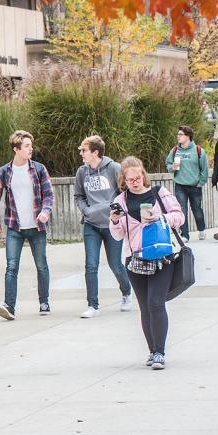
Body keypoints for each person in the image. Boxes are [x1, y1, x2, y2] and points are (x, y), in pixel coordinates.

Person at [109, 157, 184, 370]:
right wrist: (114, 220)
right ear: (124, 179)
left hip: (162, 256)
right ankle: (152, 351)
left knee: (156, 303)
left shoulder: (159, 193)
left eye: (138, 177)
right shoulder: (121, 200)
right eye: (130, 179)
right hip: (135, 259)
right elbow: (117, 235)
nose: (135, 182)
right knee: (144, 307)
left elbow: (180, 216)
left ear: (143, 174)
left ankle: (160, 352)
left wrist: (161, 218)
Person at [0, 130, 55, 320]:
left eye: (30, 146)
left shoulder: (39, 169)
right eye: (26, 146)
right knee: (11, 266)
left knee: (41, 265)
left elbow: (49, 194)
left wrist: (45, 211)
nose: (30, 149)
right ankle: (9, 307)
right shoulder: (5, 171)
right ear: (16, 149)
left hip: (37, 227)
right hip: (14, 227)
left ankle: (44, 301)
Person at [73, 135, 132, 317]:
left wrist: (116, 212)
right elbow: (78, 196)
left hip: (111, 225)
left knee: (115, 264)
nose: (81, 153)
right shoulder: (82, 172)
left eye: (84, 150)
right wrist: (87, 211)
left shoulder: (113, 168)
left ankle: (127, 291)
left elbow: (125, 192)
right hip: (91, 225)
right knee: (91, 265)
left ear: (95, 152)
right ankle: (93, 305)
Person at [164, 125, 209, 241]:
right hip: (180, 186)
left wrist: (200, 183)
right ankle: (185, 235)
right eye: (178, 134)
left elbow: (204, 169)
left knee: (197, 210)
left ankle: (201, 229)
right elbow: (168, 164)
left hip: (195, 186)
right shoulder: (175, 150)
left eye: (180, 134)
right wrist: (172, 167)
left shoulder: (199, 151)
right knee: (182, 210)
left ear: (188, 136)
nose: (178, 136)